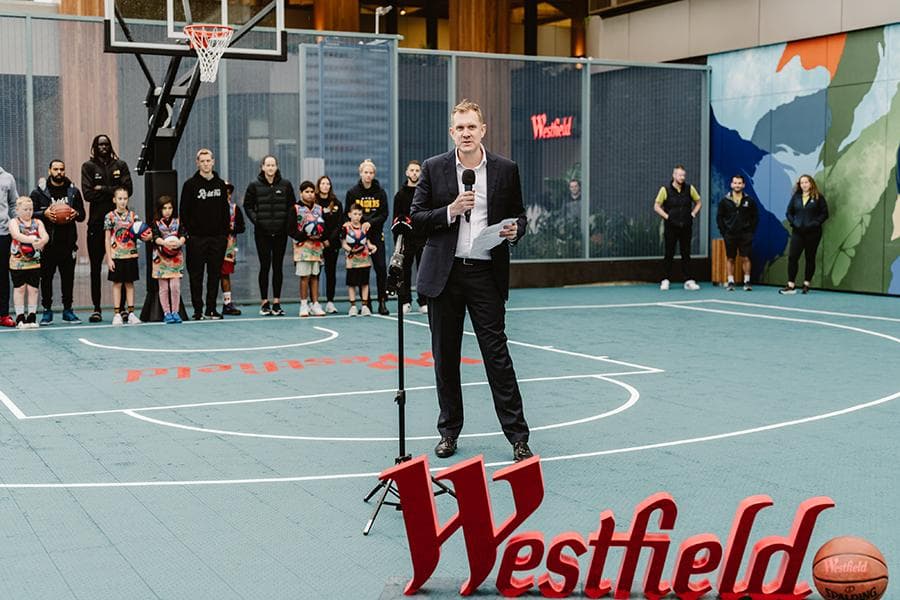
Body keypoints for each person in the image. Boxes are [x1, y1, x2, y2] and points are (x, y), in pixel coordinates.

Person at [410, 99, 533, 463]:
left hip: (485, 275)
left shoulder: (505, 170)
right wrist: (451, 210)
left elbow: (520, 216)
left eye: (471, 127)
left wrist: (514, 231)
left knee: (497, 357)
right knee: (445, 358)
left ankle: (518, 437)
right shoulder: (433, 169)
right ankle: (449, 431)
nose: (465, 133)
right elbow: (417, 217)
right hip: (444, 277)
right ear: (452, 132)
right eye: (459, 127)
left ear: (483, 130)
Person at [81, 134, 133, 322]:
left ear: (110, 146)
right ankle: (96, 309)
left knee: (122, 267)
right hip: (96, 224)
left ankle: (125, 309)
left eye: (106, 144)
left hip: (121, 226)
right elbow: (88, 194)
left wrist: (101, 188)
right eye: (100, 144)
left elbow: (128, 190)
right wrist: (113, 189)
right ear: (95, 147)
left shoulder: (121, 165)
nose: (103, 147)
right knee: (95, 268)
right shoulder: (88, 166)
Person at [30, 160, 86, 325]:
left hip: (68, 243)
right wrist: (44, 213)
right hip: (47, 244)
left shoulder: (73, 191)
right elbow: (31, 214)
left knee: (68, 278)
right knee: (46, 278)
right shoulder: (39, 193)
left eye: (62, 169)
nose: (59, 172)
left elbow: (82, 215)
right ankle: (47, 310)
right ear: (49, 171)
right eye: (55, 169)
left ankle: (68, 310)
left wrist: (74, 212)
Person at [179, 148, 230, 320]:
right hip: (197, 239)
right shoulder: (190, 185)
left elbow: (225, 211)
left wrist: (224, 236)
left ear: (213, 162)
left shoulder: (221, 185)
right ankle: (198, 310)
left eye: (209, 160)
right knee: (196, 275)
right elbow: (183, 212)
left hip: (217, 239)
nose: (206, 164)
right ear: (197, 163)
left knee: (214, 275)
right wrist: (191, 235)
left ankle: (211, 309)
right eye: (203, 161)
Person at [243, 155, 294, 316]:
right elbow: (248, 206)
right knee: (265, 266)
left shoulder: (286, 185)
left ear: (277, 167)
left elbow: (292, 207)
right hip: (262, 233)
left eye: (273, 165)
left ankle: (277, 302)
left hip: (280, 233)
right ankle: (264, 302)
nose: (271, 168)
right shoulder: (254, 185)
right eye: (268, 165)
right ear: (262, 167)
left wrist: (286, 225)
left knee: (278, 266)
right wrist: (257, 221)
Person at [345, 159, 389, 315]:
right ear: (360, 173)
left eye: (371, 172)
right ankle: (366, 302)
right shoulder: (353, 193)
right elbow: (347, 214)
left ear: (374, 174)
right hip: (359, 237)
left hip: (376, 235)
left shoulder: (380, 192)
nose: (368, 175)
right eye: (366, 172)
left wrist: (370, 222)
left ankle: (382, 301)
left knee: (381, 268)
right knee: (363, 270)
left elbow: (384, 214)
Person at [654, 165, 702, 291]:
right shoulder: (665, 190)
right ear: (674, 175)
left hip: (686, 226)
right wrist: (667, 217)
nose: (682, 177)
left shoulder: (690, 188)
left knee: (686, 253)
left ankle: (688, 281)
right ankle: (665, 280)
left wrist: (693, 214)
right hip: (671, 227)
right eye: (680, 175)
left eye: (683, 175)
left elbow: (699, 202)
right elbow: (656, 206)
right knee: (669, 253)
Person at [780, 174, 829, 295]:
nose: (804, 185)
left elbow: (824, 214)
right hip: (798, 233)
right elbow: (788, 212)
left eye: (806, 182)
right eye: (802, 183)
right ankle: (791, 284)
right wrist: (794, 222)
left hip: (813, 233)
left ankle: (807, 284)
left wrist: (815, 223)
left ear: (811, 183)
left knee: (810, 258)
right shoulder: (796, 197)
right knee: (793, 257)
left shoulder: (818, 197)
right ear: (799, 185)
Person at [104, 187, 145, 325]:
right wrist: (109, 258)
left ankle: (132, 313)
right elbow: (107, 238)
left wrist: (147, 235)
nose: (122, 201)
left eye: (125, 198)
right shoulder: (109, 216)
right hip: (116, 255)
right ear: (114, 200)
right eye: (120, 199)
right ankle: (117, 314)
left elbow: (142, 233)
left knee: (130, 284)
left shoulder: (133, 216)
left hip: (130, 255)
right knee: (117, 284)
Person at [392, 160, 427, 314]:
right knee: (405, 270)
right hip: (406, 239)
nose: (414, 173)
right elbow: (395, 219)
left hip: (423, 238)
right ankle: (405, 301)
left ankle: (423, 301)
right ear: (407, 172)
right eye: (411, 170)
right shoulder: (400, 195)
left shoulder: (425, 192)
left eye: (417, 170)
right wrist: (399, 241)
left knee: (423, 269)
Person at [9, 196, 48, 329]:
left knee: (33, 290)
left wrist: (42, 241)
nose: (28, 212)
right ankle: (20, 317)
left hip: (34, 262)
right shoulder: (14, 222)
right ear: (17, 210)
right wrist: (31, 239)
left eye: (30, 209)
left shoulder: (37, 222)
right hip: (18, 262)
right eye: (25, 209)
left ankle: (32, 316)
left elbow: (45, 235)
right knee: (20, 289)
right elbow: (16, 235)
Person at [716, 174, 758, 292]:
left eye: (739, 183)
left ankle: (747, 281)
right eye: (735, 183)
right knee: (730, 258)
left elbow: (755, 217)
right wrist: (724, 232)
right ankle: (730, 281)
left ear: (743, 185)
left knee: (745, 257)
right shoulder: (725, 201)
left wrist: (750, 231)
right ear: (731, 184)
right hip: (730, 234)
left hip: (745, 234)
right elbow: (719, 217)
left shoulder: (749, 200)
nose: (737, 185)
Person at [290, 181, 326, 317]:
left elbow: (324, 227)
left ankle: (315, 304)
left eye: (312, 192)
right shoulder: (295, 208)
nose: (310, 194)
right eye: (307, 192)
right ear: (301, 193)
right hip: (302, 247)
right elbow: (291, 229)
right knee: (304, 277)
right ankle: (303, 304)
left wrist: (320, 236)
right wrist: (306, 234)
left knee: (315, 276)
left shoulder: (319, 209)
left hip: (316, 247)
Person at [150, 195, 186, 324]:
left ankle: (175, 312)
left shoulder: (178, 221)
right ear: (160, 209)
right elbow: (154, 237)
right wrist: (165, 243)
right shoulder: (156, 222)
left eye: (170, 208)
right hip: (161, 257)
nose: (167, 210)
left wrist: (179, 243)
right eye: (164, 208)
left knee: (175, 286)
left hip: (175, 257)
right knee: (164, 288)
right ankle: (167, 312)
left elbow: (184, 235)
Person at [342, 203, 377, 316]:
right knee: (352, 284)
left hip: (364, 260)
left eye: (359, 214)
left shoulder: (365, 228)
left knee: (364, 283)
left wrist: (373, 247)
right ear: (349, 214)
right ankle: (353, 306)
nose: (357, 216)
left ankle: (365, 306)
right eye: (355, 214)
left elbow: (368, 242)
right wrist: (351, 250)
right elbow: (343, 243)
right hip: (352, 261)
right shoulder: (346, 228)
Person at [316, 175, 343, 314]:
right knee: (315, 273)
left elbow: (339, 224)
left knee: (330, 272)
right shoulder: (313, 203)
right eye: (322, 183)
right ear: (318, 186)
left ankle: (330, 302)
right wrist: (322, 239)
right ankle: (314, 302)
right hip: (317, 244)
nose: (325, 186)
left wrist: (330, 240)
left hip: (333, 244)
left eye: (327, 184)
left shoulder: (336, 203)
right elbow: (313, 222)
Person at [220, 182, 246, 315]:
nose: (227, 195)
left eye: (229, 192)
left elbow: (242, 227)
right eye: (224, 192)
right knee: (212, 274)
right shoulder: (211, 209)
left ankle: (227, 303)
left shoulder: (235, 209)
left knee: (225, 273)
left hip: (228, 246)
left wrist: (231, 229)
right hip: (212, 244)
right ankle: (209, 304)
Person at [0, 166, 19, 328]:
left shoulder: (7, 177)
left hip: (3, 234)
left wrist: (21, 226)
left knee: (2, 275)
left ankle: (3, 314)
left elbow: (13, 205)